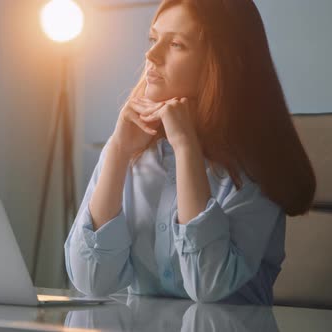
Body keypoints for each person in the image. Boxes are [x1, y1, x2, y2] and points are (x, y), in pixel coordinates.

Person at [64, 0, 316, 305]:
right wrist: (116, 151)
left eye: (176, 44)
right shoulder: (129, 149)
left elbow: (208, 285)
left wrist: (186, 148)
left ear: (220, 63)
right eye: (154, 39)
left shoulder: (256, 166)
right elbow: (92, 281)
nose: (151, 55)